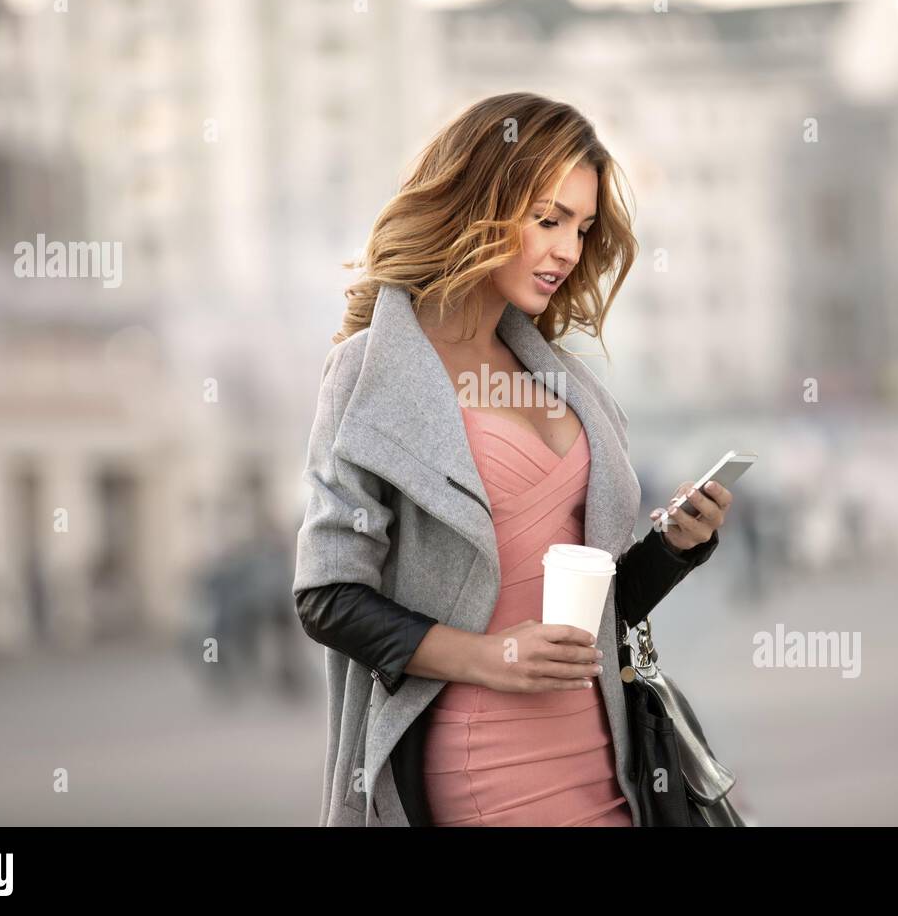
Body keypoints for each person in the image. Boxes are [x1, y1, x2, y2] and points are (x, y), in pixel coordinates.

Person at [292, 92, 732, 827]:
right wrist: (490, 657)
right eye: (548, 219)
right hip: (483, 759)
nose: (568, 249)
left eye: (583, 228)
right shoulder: (371, 375)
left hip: (605, 754)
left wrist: (676, 546)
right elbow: (328, 595)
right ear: (478, 204)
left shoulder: (562, 377)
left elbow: (594, 614)